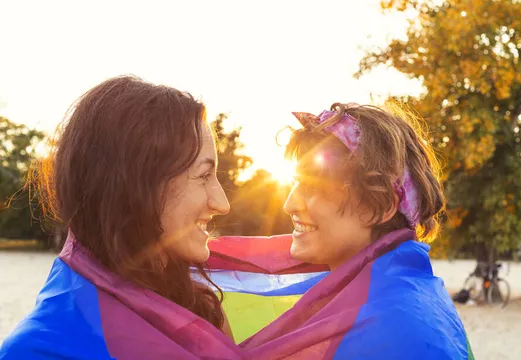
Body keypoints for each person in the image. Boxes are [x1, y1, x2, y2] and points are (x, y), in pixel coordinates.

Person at [0, 76, 243, 359]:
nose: (222, 204)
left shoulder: (199, 308)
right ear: (137, 187)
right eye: (204, 176)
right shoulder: (40, 351)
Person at [237, 102, 475, 359]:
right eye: (296, 183)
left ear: (380, 207)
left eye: (313, 187)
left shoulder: (394, 328)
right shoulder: (397, 296)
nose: (289, 205)